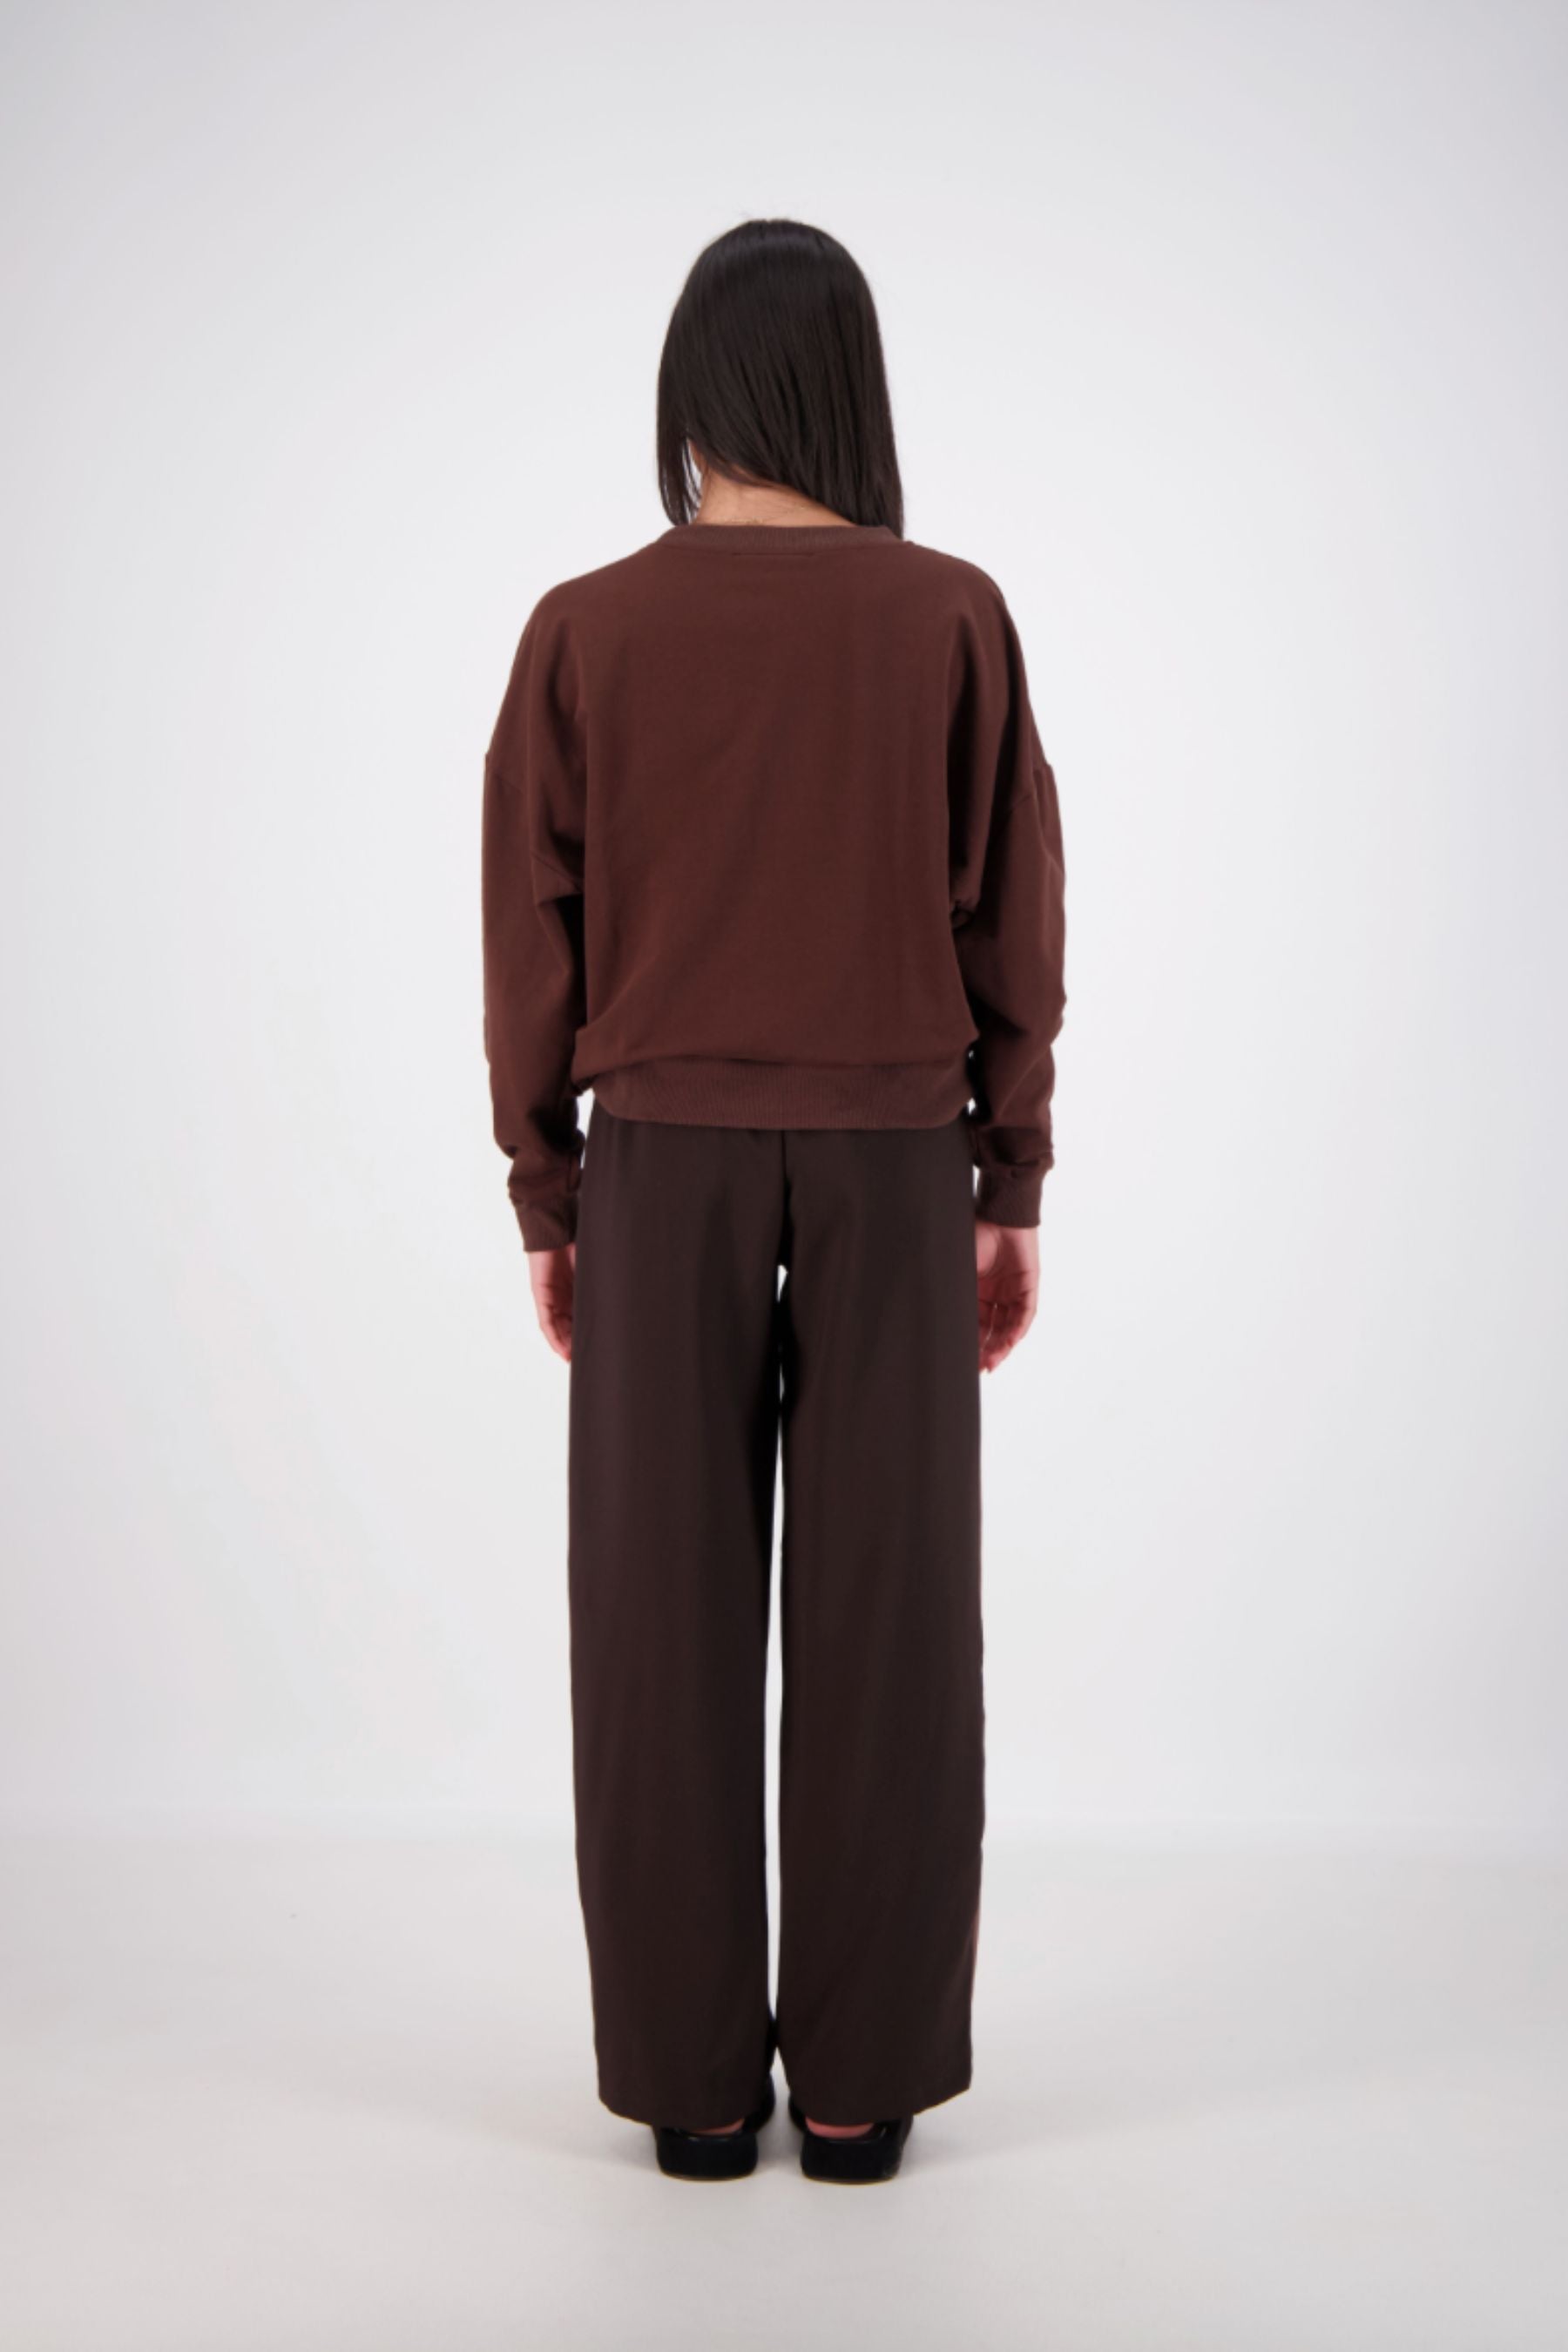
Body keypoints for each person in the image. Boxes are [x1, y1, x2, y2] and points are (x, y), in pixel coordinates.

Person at [482, 218, 1066, 2185]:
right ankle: (859, 2085)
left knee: (658, 1614)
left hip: (660, 1161)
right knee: (892, 1615)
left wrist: (551, 1191)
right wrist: (1009, 1173)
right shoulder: (950, 616)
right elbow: (1016, 916)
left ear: (692, 392)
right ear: (851, 390)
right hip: (900, 1155)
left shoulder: (586, 630)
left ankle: (691, 2086)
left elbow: (531, 932)